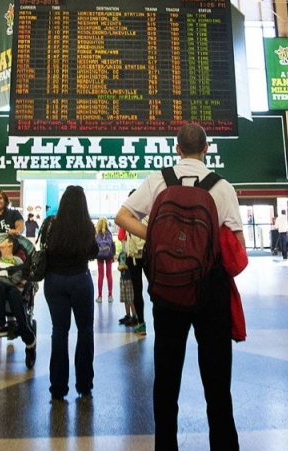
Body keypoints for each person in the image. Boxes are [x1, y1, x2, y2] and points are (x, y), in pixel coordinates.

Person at [115, 123, 243, 450]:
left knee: (167, 377)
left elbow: (123, 216)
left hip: (168, 287)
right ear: (207, 148)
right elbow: (238, 249)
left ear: (176, 149)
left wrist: (158, 237)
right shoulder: (222, 186)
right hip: (211, 289)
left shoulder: (159, 180)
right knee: (217, 381)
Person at [41, 185, 98, 401]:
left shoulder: (50, 224)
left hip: (54, 281)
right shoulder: (86, 225)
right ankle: (84, 384)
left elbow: (44, 248)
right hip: (80, 281)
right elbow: (93, 252)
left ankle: (58, 387)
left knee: (59, 331)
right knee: (85, 330)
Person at [0, 235, 35, 346]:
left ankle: (23, 328)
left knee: (14, 292)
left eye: (2, 240)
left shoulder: (18, 260)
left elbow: (22, 276)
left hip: (12, 287)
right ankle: (0, 324)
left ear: (10, 244)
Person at [117, 189, 147, 335]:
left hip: (145, 255)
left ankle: (142, 322)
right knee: (136, 290)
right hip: (132, 258)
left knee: (152, 290)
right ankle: (140, 322)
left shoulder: (147, 216)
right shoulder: (129, 218)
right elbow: (125, 242)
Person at [94, 217, 115, 303]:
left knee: (100, 275)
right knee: (109, 274)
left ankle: (100, 297)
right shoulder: (109, 233)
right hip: (108, 255)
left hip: (100, 256)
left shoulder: (97, 234)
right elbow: (112, 245)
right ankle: (110, 296)